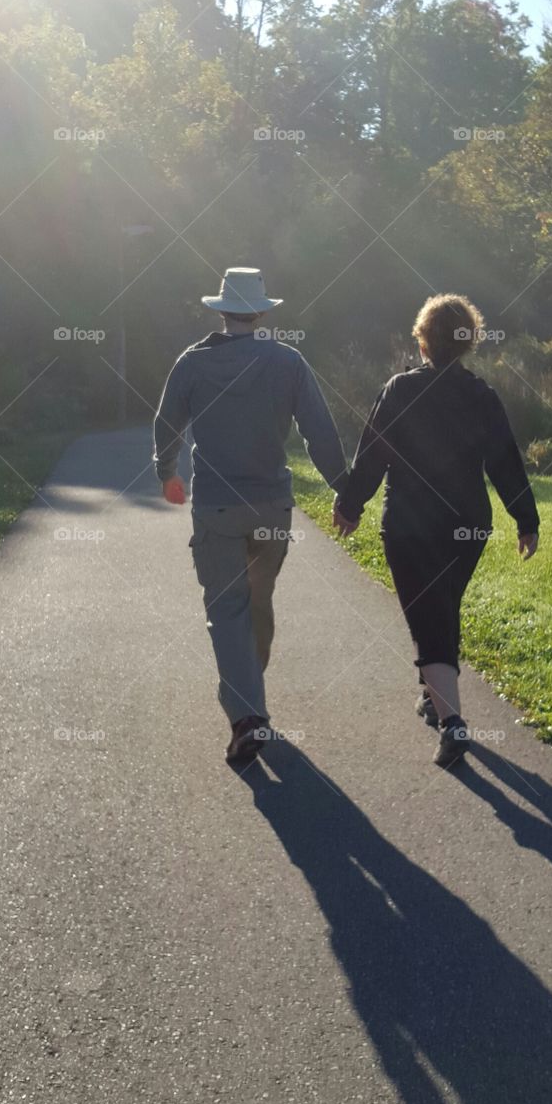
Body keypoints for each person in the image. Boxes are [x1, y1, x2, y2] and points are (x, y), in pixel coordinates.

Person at [333, 293, 540, 768]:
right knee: (440, 607)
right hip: (467, 526)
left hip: (409, 523)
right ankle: (434, 694)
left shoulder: (400, 390)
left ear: (423, 342)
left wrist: (350, 505)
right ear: (468, 345)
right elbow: (505, 462)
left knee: (429, 615)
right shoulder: (482, 397)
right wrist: (525, 520)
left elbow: (372, 456)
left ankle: (452, 724)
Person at [153, 267, 348, 764]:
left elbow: (167, 422)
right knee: (258, 603)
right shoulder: (288, 361)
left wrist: (166, 472)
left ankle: (247, 717)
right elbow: (319, 431)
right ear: (260, 313)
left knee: (227, 610)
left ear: (220, 311)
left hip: (217, 506)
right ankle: (251, 700)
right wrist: (343, 487)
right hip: (270, 507)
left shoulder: (191, 364)